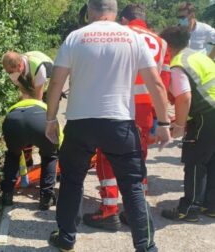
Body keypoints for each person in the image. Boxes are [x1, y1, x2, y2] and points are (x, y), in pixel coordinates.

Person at [45, 0, 171, 251]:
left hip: (80, 123)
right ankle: (145, 246)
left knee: (72, 180)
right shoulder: (132, 38)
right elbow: (156, 83)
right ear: (114, 12)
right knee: (133, 185)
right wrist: (164, 121)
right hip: (120, 123)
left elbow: (56, 83)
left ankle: (67, 237)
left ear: (90, 11)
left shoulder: (74, 37)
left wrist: (50, 120)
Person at [82, 3, 171, 231]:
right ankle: (135, 212)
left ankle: (109, 209)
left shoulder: (119, 34)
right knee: (137, 159)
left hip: (118, 105)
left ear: (123, 19)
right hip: (145, 110)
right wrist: (160, 120)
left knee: (107, 155)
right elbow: (163, 84)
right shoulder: (162, 43)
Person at [159, 26, 215, 222]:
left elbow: (184, 98)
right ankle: (211, 205)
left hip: (205, 115)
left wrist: (180, 125)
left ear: (168, 46)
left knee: (195, 161)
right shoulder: (197, 56)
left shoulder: (178, 64)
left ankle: (189, 209)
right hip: (211, 112)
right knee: (212, 161)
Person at [0, 98, 61, 210]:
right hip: (39, 120)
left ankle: (7, 196)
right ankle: (46, 198)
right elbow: (59, 142)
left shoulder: (17, 105)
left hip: (12, 120)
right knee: (49, 156)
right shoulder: (45, 108)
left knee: (13, 156)